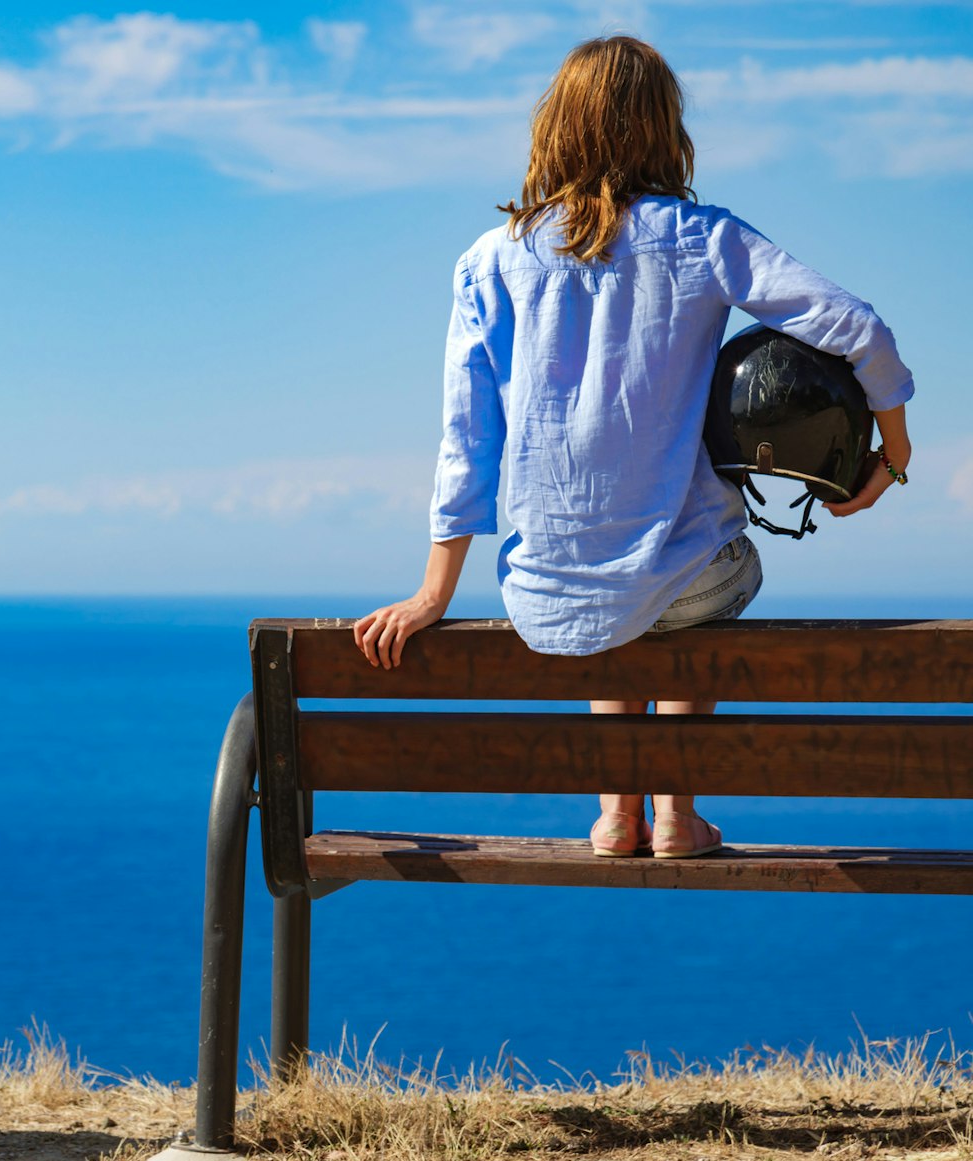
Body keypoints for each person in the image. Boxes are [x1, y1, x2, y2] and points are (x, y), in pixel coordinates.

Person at [351, 35, 914, 859]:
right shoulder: (700, 238)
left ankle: (619, 810)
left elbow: (466, 441)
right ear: (664, 130)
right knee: (702, 559)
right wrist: (889, 454)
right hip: (684, 584)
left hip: (548, 594)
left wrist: (434, 593)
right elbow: (858, 328)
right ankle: (675, 810)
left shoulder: (486, 263)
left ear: (554, 129)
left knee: (610, 581)